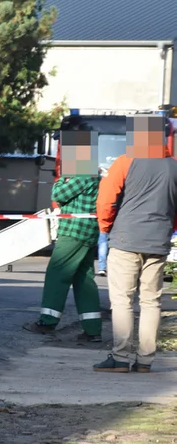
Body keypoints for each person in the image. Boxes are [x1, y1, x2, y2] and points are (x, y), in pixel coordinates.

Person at [93, 115, 177, 374]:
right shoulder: (174, 167)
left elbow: (106, 200)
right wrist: (168, 230)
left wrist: (106, 228)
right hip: (158, 241)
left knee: (122, 300)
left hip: (126, 239)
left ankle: (120, 357)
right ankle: (145, 361)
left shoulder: (125, 162)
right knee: (151, 302)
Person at [23, 130, 103, 343]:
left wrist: (62, 180)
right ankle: (92, 329)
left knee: (56, 275)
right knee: (84, 280)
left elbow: (57, 194)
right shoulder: (92, 173)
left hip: (74, 232)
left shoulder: (82, 174)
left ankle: (47, 322)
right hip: (87, 232)